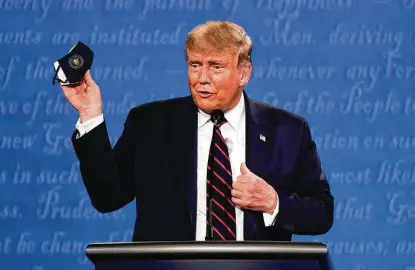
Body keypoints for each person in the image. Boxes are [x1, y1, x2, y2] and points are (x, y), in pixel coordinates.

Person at [61, 21, 334, 242]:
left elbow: (322, 213)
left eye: (216, 66)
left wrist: (272, 201)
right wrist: (89, 115)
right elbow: (107, 197)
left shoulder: (287, 130)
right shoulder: (149, 123)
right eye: (195, 65)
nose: (202, 78)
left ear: (244, 73)